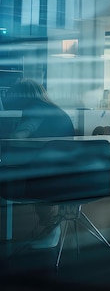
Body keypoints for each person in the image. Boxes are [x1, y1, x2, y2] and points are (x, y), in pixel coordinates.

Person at [1, 79, 76, 249]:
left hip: (47, 173)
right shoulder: (54, 109)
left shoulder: (35, 108)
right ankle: (50, 227)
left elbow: (21, 134)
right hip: (67, 169)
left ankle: (51, 228)